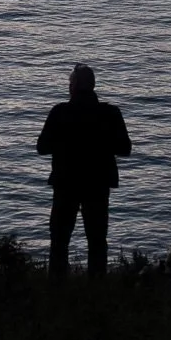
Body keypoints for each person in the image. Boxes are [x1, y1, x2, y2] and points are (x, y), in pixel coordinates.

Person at [37, 63, 132, 278]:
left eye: (70, 82)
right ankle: (97, 289)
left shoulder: (60, 112)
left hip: (66, 183)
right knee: (97, 240)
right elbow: (125, 149)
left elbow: (42, 148)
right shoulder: (110, 113)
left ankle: (57, 287)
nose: (68, 86)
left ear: (74, 87)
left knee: (59, 240)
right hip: (97, 184)